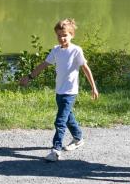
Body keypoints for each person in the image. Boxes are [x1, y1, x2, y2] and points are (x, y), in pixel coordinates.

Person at [19, 18, 99, 162]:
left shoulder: (76, 50)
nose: (62, 38)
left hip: (70, 92)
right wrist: (29, 77)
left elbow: (85, 69)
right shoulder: (56, 50)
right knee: (68, 117)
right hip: (59, 91)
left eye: (65, 35)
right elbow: (44, 65)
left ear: (71, 35)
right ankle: (78, 138)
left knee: (60, 121)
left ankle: (56, 150)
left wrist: (93, 87)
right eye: (59, 35)